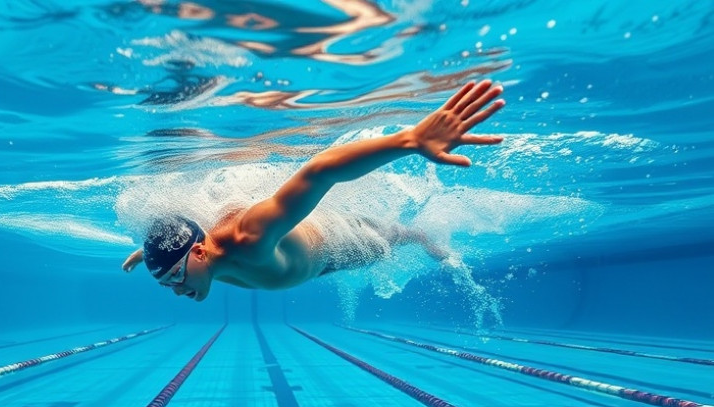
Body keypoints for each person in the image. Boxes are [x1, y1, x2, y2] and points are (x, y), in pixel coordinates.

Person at [122, 80, 505, 301]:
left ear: (200, 252)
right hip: (309, 263)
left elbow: (319, 172)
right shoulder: (201, 258)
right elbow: (185, 241)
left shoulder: (249, 237)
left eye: (174, 278)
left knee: (394, 239)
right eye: (167, 283)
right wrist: (151, 254)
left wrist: (409, 140)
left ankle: (419, 235)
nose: (176, 291)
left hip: (340, 244)